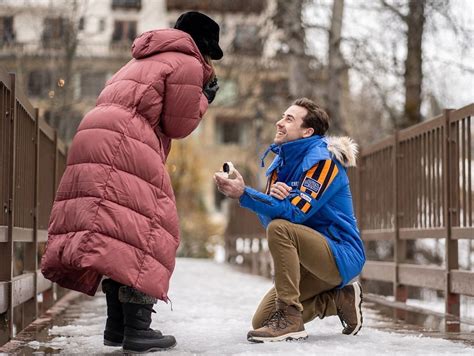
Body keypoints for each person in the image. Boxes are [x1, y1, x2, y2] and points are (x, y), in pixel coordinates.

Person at [41, 11, 222, 353]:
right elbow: (178, 125)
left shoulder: (142, 58)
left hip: (97, 133)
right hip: (127, 139)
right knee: (150, 230)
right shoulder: (187, 62)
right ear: (204, 45)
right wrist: (204, 98)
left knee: (121, 229)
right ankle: (138, 329)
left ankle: (118, 327)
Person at [214, 98, 366, 343]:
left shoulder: (325, 161)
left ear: (307, 131)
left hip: (339, 255)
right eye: (283, 116)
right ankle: (338, 299)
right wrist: (273, 200)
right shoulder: (279, 166)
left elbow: (293, 215)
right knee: (262, 322)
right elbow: (269, 222)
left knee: (281, 228)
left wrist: (246, 194)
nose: (279, 122)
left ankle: (291, 320)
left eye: (289, 119)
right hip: (307, 261)